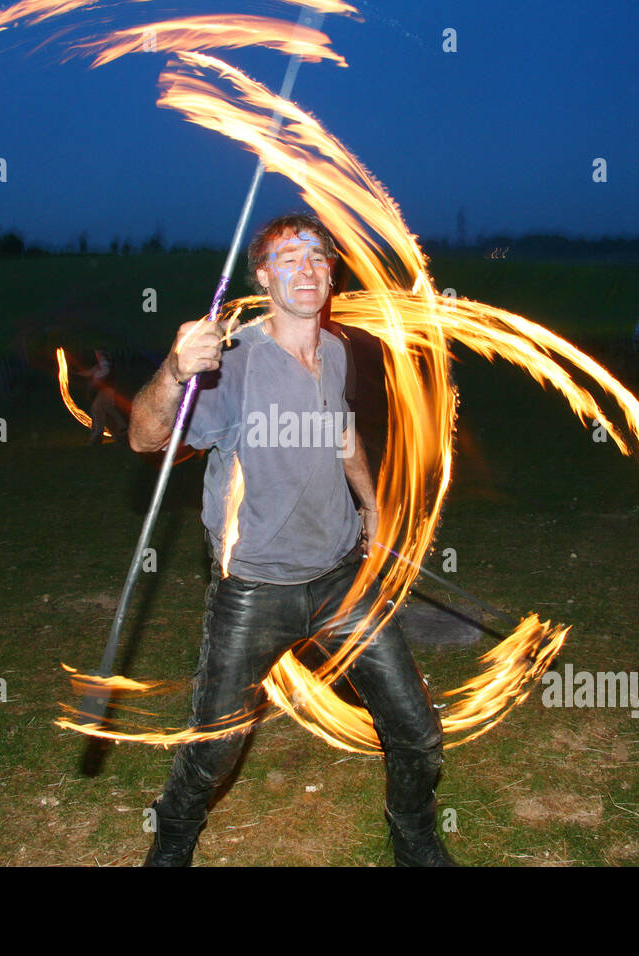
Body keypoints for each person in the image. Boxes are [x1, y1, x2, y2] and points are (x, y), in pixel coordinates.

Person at [127, 213, 451, 867]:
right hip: (253, 587)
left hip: (339, 578)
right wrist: (172, 368)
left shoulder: (333, 349)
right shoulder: (232, 362)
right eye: (288, 256)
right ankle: (171, 843)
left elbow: (341, 430)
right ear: (263, 276)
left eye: (318, 256)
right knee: (213, 752)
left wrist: (373, 502)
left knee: (417, 731)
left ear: (331, 273)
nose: (307, 266)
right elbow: (144, 437)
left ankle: (413, 834)